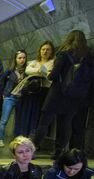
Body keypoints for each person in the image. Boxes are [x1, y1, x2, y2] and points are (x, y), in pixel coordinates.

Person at [33, 30, 93, 158]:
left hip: (57, 93)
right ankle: (59, 152)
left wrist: (47, 74)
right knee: (65, 124)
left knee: (44, 122)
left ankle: (32, 149)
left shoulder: (64, 52)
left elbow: (54, 75)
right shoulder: (88, 55)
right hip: (75, 96)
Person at [18, 41, 55, 137]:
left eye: (48, 50)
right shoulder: (34, 62)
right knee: (31, 115)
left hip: (45, 91)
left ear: (51, 52)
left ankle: (37, 138)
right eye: (43, 49)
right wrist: (40, 71)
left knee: (40, 116)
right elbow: (27, 70)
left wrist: (40, 72)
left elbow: (50, 75)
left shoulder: (53, 62)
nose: (45, 51)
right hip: (32, 92)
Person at [0, 50, 27, 147]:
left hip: (22, 98)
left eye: (24, 58)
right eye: (19, 58)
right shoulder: (10, 70)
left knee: (19, 120)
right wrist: (2, 93)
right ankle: (0, 139)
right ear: (15, 59)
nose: (22, 60)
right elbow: (0, 81)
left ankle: (17, 140)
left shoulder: (28, 71)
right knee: (4, 120)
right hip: (9, 97)